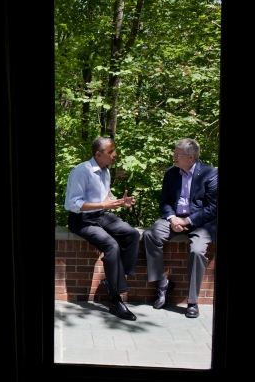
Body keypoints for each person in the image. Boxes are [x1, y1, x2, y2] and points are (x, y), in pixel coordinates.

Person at [64, 136, 140, 321]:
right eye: (111, 152)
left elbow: (104, 198)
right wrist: (104, 205)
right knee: (111, 245)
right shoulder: (81, 171)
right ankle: (116, 300)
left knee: (132, 234)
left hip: (100, 215)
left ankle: (112, 279)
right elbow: (72, 204)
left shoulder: (105, 171)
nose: (115, 155)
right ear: (98, 154)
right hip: (81, 219)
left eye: (114, 150)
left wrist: (120, 202)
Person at [142, 138, 217, 318]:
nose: (174, 157)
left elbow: (212, 208)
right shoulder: (171, 173)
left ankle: (192, 302)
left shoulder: (210, 173)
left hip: (201, 224)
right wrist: (173, 218)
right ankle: (162, 284)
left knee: (198, 251)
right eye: (174, 153)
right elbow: (165, 202)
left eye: (178, 154)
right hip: (174, 218)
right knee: (150, 235)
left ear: (191, 157)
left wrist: (187, 221)